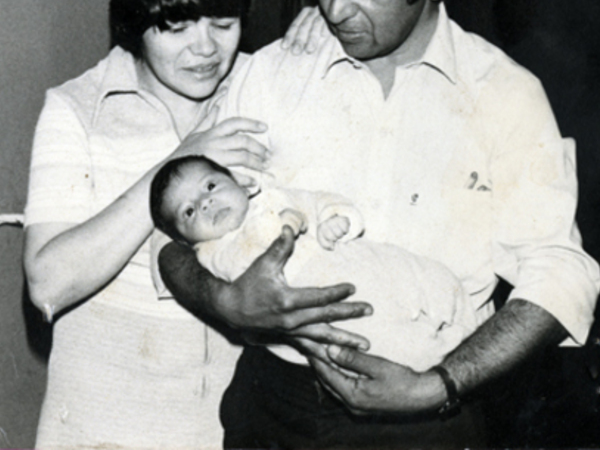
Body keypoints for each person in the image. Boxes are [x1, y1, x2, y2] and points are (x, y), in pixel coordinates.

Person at [158, 0, 600, 448]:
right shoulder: (271, 74)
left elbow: (561, 274)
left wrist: (440, 384)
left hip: (428, 417)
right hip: (273, 409)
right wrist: (227, 300)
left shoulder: (504, 95)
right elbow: (172, 241)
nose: (336, 9)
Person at [22, 0, 370, 449]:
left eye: (223, 23)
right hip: (100, 432)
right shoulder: (77, 110)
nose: (205, 49)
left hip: (227, 433)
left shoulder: (261, 87)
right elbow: (47, 285)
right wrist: (176, 165)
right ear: (136, 22)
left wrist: (329, 30)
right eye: (178, 27)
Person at [150, 154, 478, 371]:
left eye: (210, 186)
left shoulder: (273, 197)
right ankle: (441, 351)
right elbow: (244, 299)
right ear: (185, 239)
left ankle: (468, 328)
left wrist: (336, 218)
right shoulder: (212, 255)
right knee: (395, 348)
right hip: (334, 311)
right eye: (188, 211)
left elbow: (318, 201)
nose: (205, 202)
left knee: (431, 278)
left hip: (360, 259)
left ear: (238, 182)